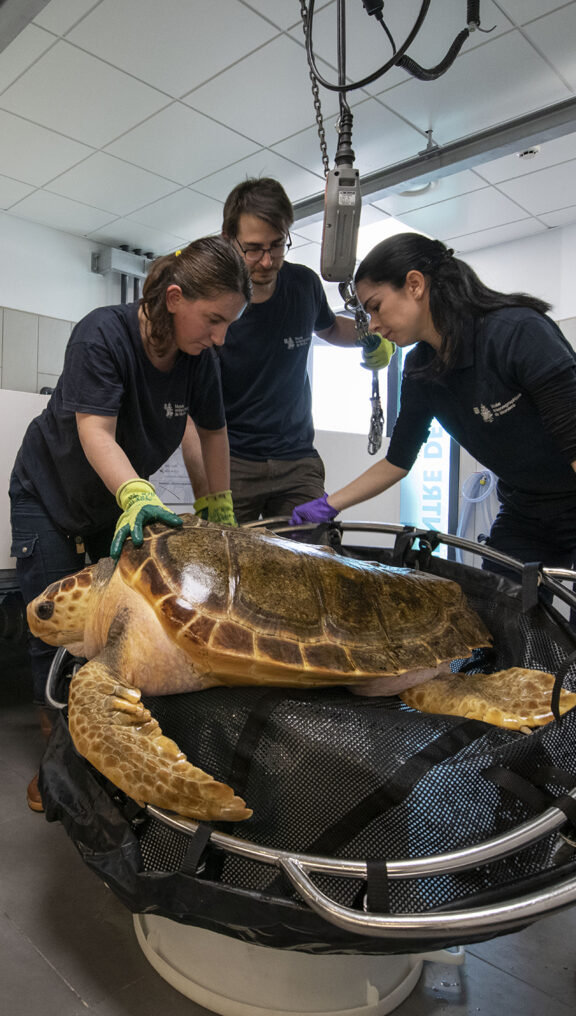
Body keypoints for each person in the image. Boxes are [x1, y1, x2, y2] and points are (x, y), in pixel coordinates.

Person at [10, 235, 251, 811]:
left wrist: (218, 510)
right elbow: (95, 431)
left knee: (112, 634)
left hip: (112, 507)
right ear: (174, 297)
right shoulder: (103, 333)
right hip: (48, 493)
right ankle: (59, 771)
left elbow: (213, 433)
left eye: (227, 325)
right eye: (213, 320)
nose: (218, 337)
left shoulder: (200, 361)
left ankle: (106, 759)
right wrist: (138, 494)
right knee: (61, 637)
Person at [291, 232, 576, 579]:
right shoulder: (421, 370)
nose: (374, 327)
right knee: (498, 607)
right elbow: (397, 462)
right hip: (525, 507)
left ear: (414, 284)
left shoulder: (516, 334)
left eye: (375, 307)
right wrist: (328, 505)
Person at [190, 177, 394, 524]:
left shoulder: (303, 285)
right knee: (224, 564)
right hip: (233, 461)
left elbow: (329, 328)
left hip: (297, 458)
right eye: (253, 248)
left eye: (277, 245)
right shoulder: (214, 305)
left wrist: (371, 334)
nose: (267, 262)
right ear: (229, 240)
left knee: (312, 557)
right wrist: (208, 494)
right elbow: (191, 412)